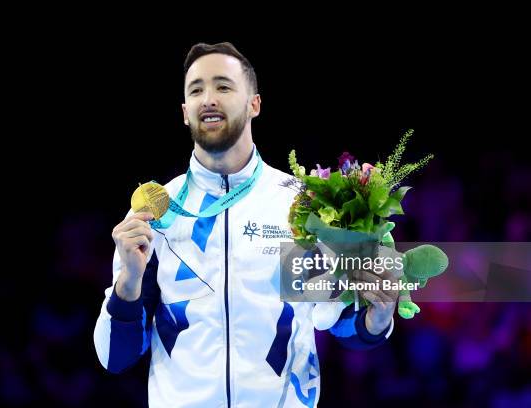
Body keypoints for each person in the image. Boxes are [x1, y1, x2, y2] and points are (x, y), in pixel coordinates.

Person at [94, 42, 398, 408]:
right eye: (196, 90)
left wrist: (377, 318)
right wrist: (128, 282)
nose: (208, 98)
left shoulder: (300, 205)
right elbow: (116, 357)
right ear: (185, 113)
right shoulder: (154, 216)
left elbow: (339, 321)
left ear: (254, 103)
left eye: (223, 86)